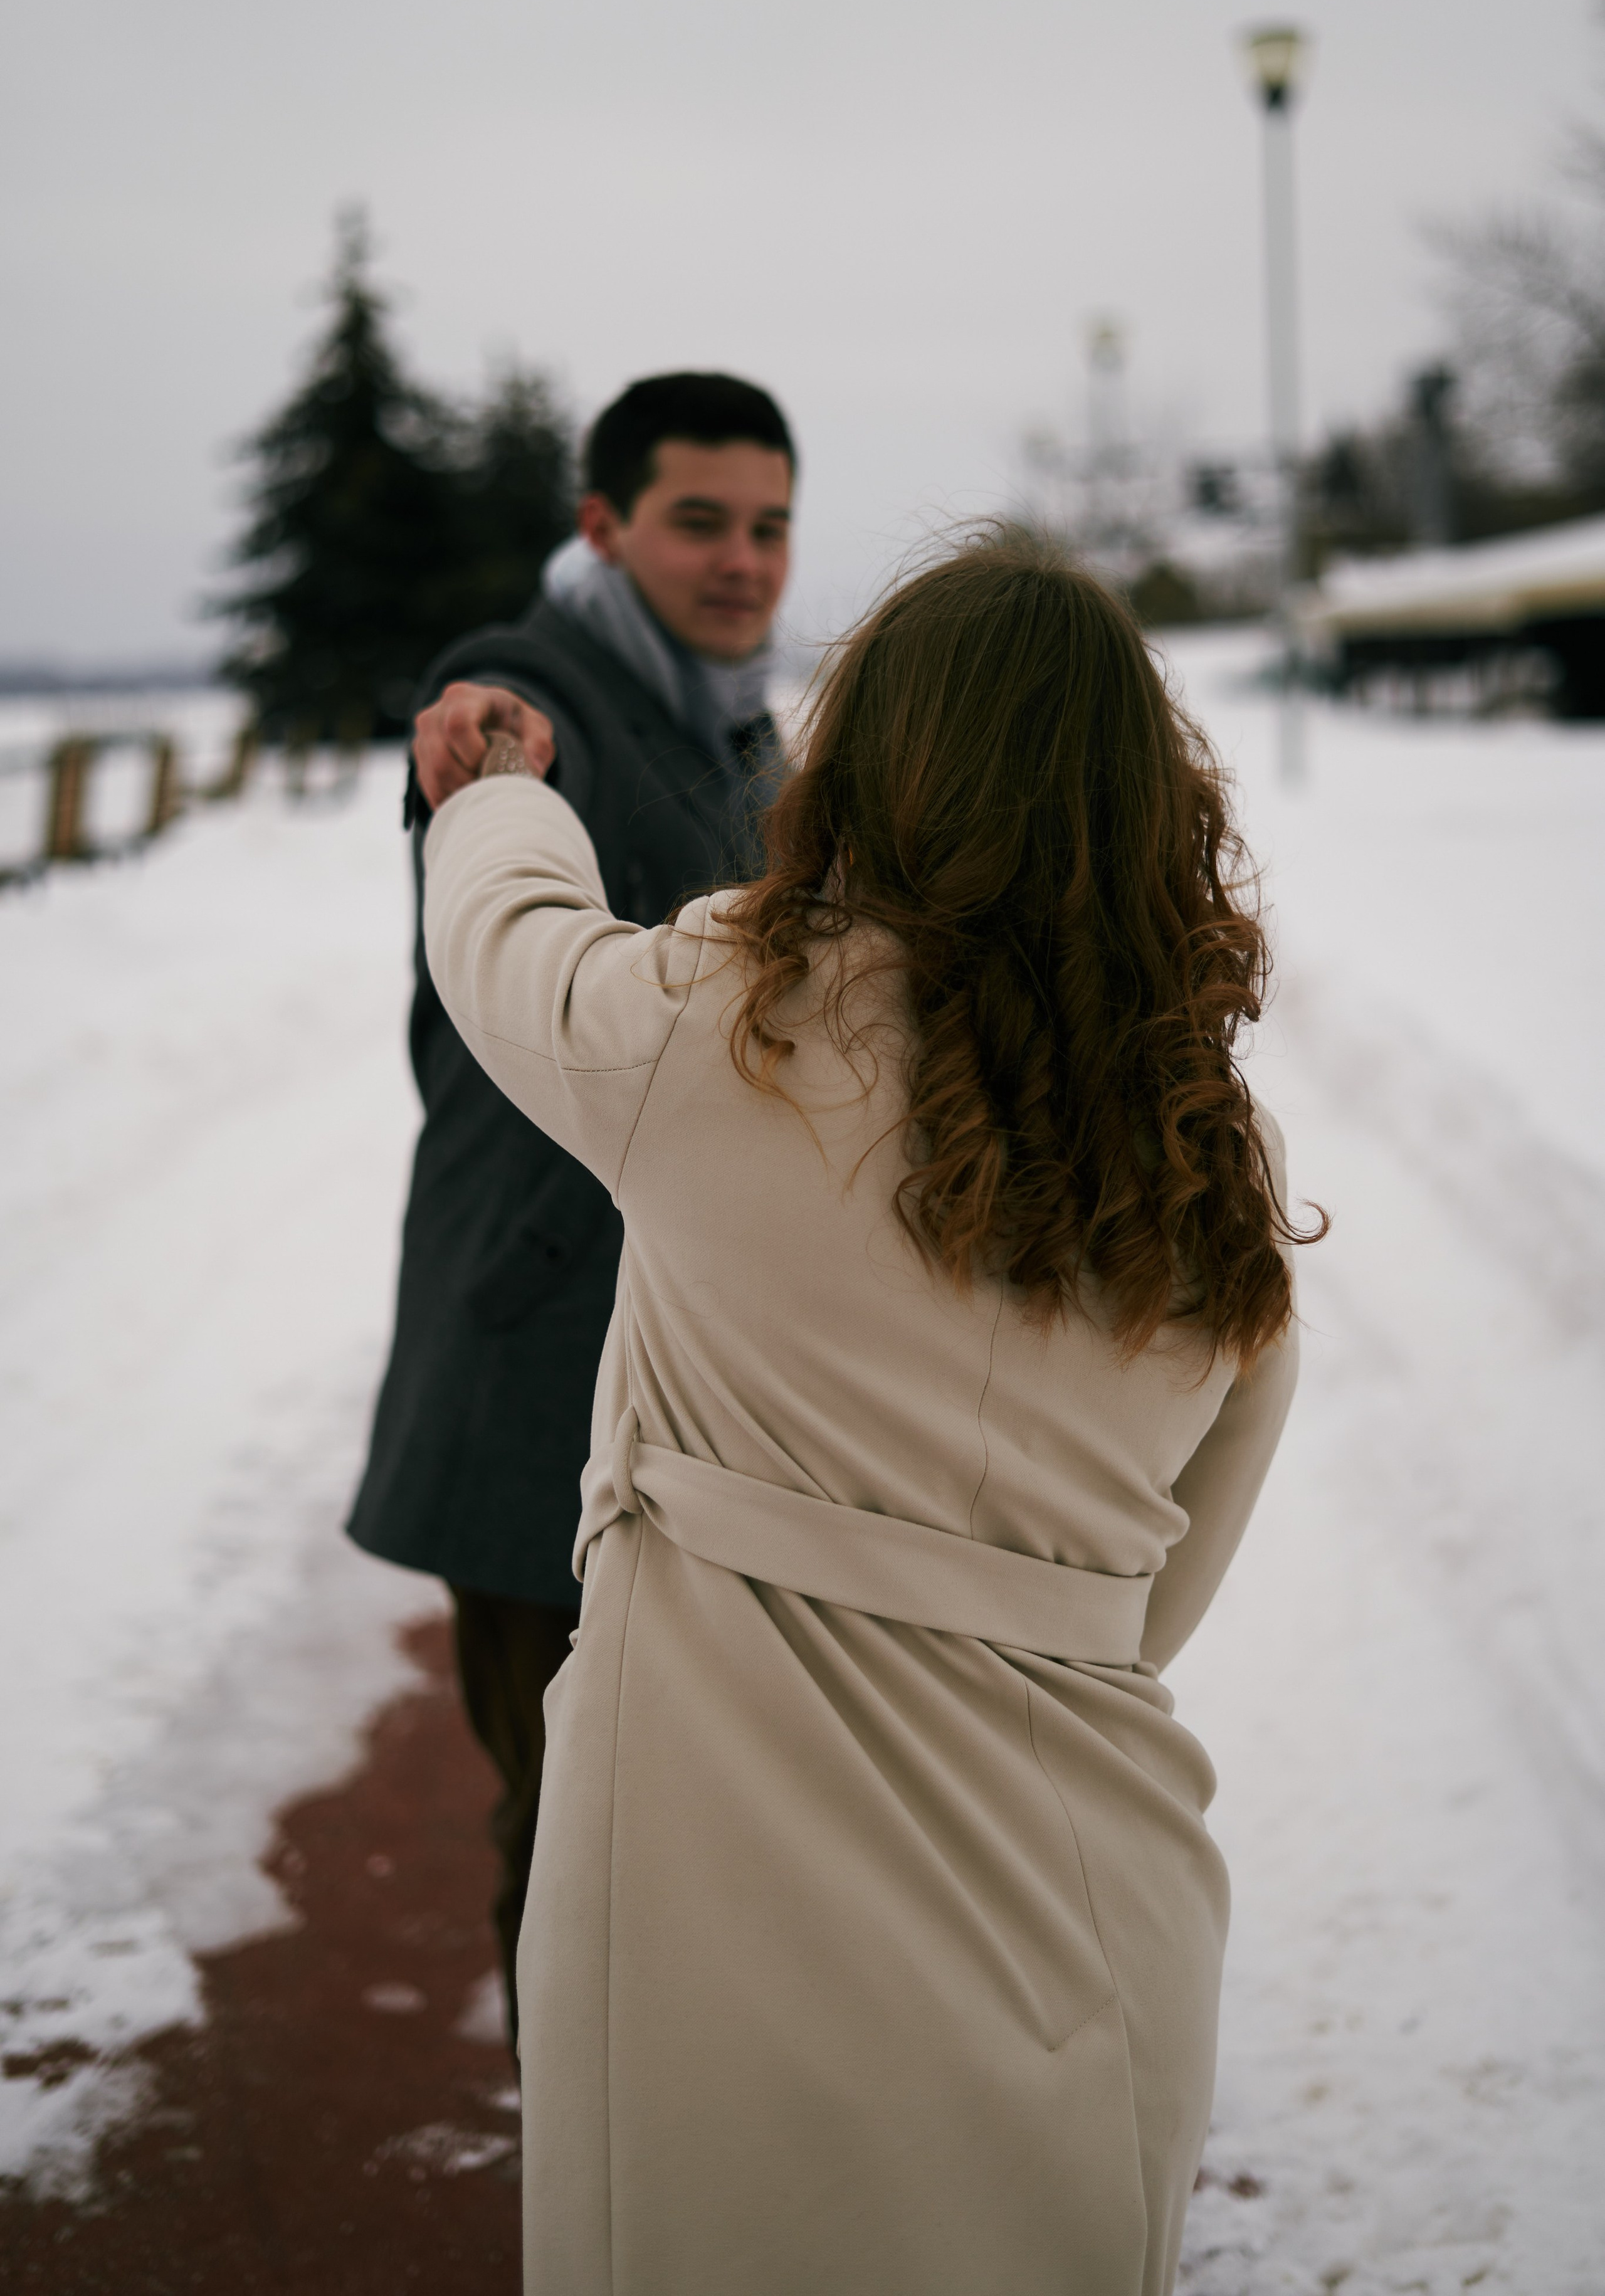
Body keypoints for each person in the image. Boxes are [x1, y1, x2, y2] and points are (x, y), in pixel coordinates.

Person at [412, 534, 1317, 2295]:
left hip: (713, 1885)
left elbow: (509, 945)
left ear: (867, 763)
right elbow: (1160, 1597)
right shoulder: (1206, 1156)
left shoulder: (716, 1030)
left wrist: (505, 792)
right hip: (1083, 1894)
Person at [346, 372, 796, 2039]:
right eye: (700, 521)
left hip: (686, 1364)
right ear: (600, 528)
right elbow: (489, 733)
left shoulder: (730, 709)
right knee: (577, 1843)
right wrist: (477, 753)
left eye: (769, 525)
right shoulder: (552, 682)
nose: (745, 560)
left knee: (681, 1840)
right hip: (542, 1344)